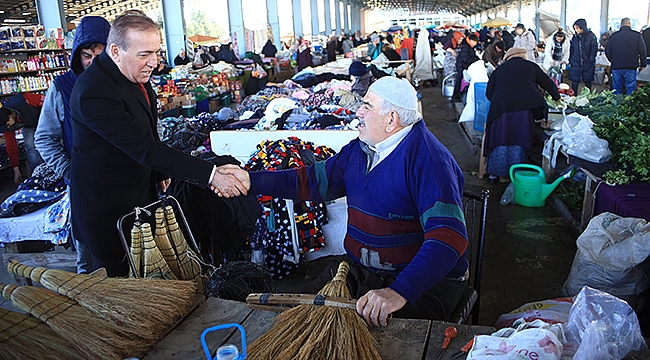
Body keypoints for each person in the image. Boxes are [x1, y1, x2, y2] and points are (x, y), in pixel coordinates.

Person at [220, 76, 468, 327]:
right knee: (296, 319)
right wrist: (252, 180)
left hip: (420, 285)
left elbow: (448, 237)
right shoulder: (361, 150)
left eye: (367, 106)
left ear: (391, 119)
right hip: (367, 274)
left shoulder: (430, 162)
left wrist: (399, 292)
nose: (358, 111)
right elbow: (311, 181)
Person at [69, 10, 247, 277]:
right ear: (116, 51)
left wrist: (159, 173)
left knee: (144, 276)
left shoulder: (132, 75)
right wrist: (210, 176)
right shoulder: (94, 93)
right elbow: (144, 147)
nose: (154, 62)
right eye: (144, 54)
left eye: (156, 53)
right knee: (121, 287)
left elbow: (148, 134)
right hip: (108, 207)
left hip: (138, 194)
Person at [34, 15, 111, 274]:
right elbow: (44, 138)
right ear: (77, 55)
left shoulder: (125, 83)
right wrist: (69, 171)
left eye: (99, 54)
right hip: (84, 188)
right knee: (88, 260)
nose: (92, 63)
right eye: (86, 55)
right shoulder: (62, 87)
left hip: (125, 186)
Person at [484, 47, 560, 183]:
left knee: (500, 136)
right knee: (519, 137)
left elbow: (489, 92)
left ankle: (494, 175)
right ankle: (516, 174)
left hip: (501, 109)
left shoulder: (500, 69)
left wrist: (501, 101)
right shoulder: (531, 66)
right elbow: (548, 83)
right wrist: (557, 97)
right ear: (523, 56)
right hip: (523, 110)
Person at [0, 92, 44, 174]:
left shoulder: (24, 99)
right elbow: (11, 145)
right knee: (31, 148)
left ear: (10, 117)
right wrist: (16, 169)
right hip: (28, 125)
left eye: (8, 124)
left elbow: (48, 102)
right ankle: (38, 174)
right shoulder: (5, 124)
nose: (8, 127)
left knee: (54, 142)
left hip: (44, 119)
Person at [605, 17, 647, 95]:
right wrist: (643, 64)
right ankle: (629, 105)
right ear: (629, 24)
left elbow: (607, 51)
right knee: (630, 89)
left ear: (621, 25)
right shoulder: (637, 35)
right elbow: (642, 51)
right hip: (631, 66)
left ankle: (616, 105)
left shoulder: (613, 36)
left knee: (616, 89)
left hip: (616, 66)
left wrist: (613, 60)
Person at [569, 19, 598, 95]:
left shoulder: (591, 36)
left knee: (588, 82)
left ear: (583, 27)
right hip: (576, 62)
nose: (576, 30)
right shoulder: (575, 38)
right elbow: (572, 49)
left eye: (578, 28)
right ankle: (573, 97)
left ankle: (587, 97)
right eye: (575, 28)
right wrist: (571, 60)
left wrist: (591, 59)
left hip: (587, 63)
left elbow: (594, 48)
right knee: (574, 82)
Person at [452, 33, 479, 102]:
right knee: (459, 81)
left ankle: (459, 95)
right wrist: (474, 60)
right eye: (475, 42)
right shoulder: (465, 47)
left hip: (464, 66)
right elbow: (465, 59)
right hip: (462, 67)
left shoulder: (468, 46)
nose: (475, 44)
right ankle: (455, 97)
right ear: (471, 40)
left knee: (461, 81)